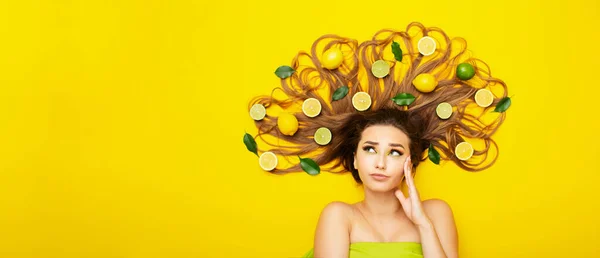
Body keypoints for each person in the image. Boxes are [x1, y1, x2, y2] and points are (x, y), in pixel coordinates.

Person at [246, 22, 509, 258]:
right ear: (355, 160)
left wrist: (422, 224)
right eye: (370, 149)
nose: (381, 162)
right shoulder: (339, 216)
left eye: (394, 152)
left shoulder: (436, 214)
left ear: (411, 164)